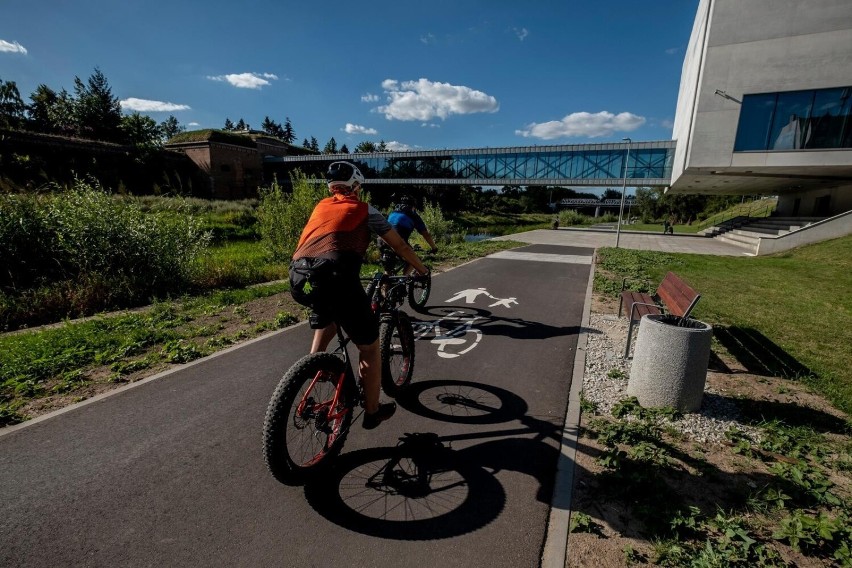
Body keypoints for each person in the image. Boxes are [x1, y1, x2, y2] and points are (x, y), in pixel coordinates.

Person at [288, 161, 429, 429]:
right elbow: (398, 244)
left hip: (300, 279)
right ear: (355, 186)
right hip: (336, 278)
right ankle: (373, 411)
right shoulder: (364, 209)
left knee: (330, 311)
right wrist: (421, 269)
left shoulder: (320, 207)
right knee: (369, 347)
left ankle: (315, 366)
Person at [378, 194, 438, 275]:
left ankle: (383, 284)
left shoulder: (393, 212)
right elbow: (426, 234)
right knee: (413, 261)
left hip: (381, 240)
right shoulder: (413, 215)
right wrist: (434, 248)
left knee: (388, 268)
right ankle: (403, 280)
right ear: (413, 206)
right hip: (398, 241)